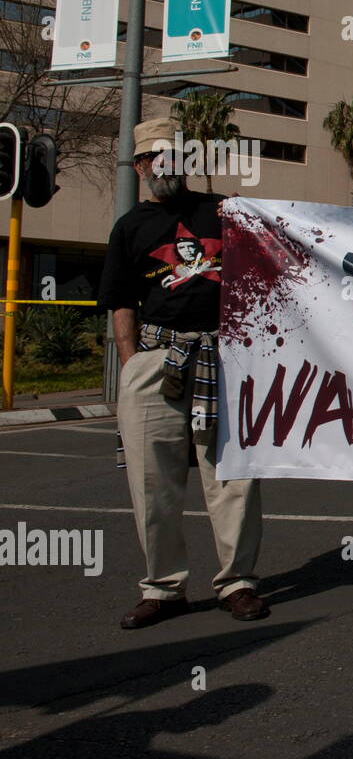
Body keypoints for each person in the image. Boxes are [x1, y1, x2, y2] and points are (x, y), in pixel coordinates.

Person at [97, 117, 268, 629]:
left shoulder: (221, 212)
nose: (162, 165)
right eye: (152, 157)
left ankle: (237, 582)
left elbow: (267, 269)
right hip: (155, 360)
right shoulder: (130, 226)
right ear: (139, 166)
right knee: (153, 482)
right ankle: (163, 588)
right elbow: (121, 301)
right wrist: (132, 366)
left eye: (172, 155)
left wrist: (250, 215)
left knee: (231, 475)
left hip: (223, 359)